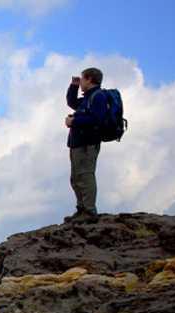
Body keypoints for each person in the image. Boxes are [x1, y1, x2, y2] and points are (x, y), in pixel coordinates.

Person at [65, 67, 110, 221]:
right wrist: (74, 86)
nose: (81, 81)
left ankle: (89, 211)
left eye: (83, 78)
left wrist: (74, 121)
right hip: (77, 143)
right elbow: (71, 102)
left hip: (87, 144)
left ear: (90, 79)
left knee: (85, 176)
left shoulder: (98, 97)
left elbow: (97, 119)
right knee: (76, 178)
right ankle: (82, 209)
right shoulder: (88, 97)